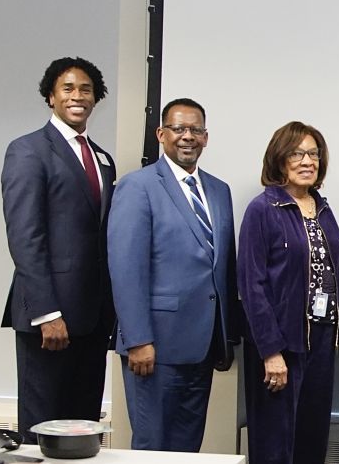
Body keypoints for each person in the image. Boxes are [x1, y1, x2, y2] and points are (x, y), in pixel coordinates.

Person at [106, 98, 238, 451]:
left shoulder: (219, 190)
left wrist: (225, 337)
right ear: (161, 134)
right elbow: (126, 269)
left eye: (195, 130)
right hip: (155, 346)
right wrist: (137, 339)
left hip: (204, 345)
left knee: (187, 448)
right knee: (153, 447)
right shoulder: (138, 187)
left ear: (206, 137)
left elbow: (222, 269)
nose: (187, 137)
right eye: (179, 129)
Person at [1, 56, 117, 443]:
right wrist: (47, 313)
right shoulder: (28, 151)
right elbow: (25, 238)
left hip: (92, 319)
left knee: (82, 429)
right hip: (49, 319)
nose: (77, 96)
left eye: (86, 89)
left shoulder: (103, 159)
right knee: (42, 429)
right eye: (67, 88)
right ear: (50, 96)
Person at [237, 122, 339, 464]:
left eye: (313, 154)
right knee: (275, 445)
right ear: (280, 159)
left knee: (312, 441)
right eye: (297, 153)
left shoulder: (323, 209)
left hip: (322, 343)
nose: (307, 161)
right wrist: (271, 352)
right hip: (281, 346)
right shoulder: (263, 209)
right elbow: (251, 284)